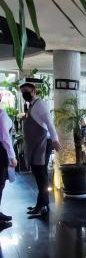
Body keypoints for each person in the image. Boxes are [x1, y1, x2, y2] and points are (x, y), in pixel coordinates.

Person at [20, 83, 62, 217]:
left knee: (41, 176)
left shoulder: (40, 104)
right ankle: (42, 204)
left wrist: (55, 139)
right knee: (39, 175)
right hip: (36, 145)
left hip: (43, 144)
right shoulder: (32, 105)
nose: (24, 94)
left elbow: (50, 123)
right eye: (22, 92)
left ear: (34, 91)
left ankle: (42, 206)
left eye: (26, 91)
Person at [0, 94, 18, 230]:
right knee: (0, 184)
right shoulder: (1, 115)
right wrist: (12, 156)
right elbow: (5, 137)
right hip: (0, 152)